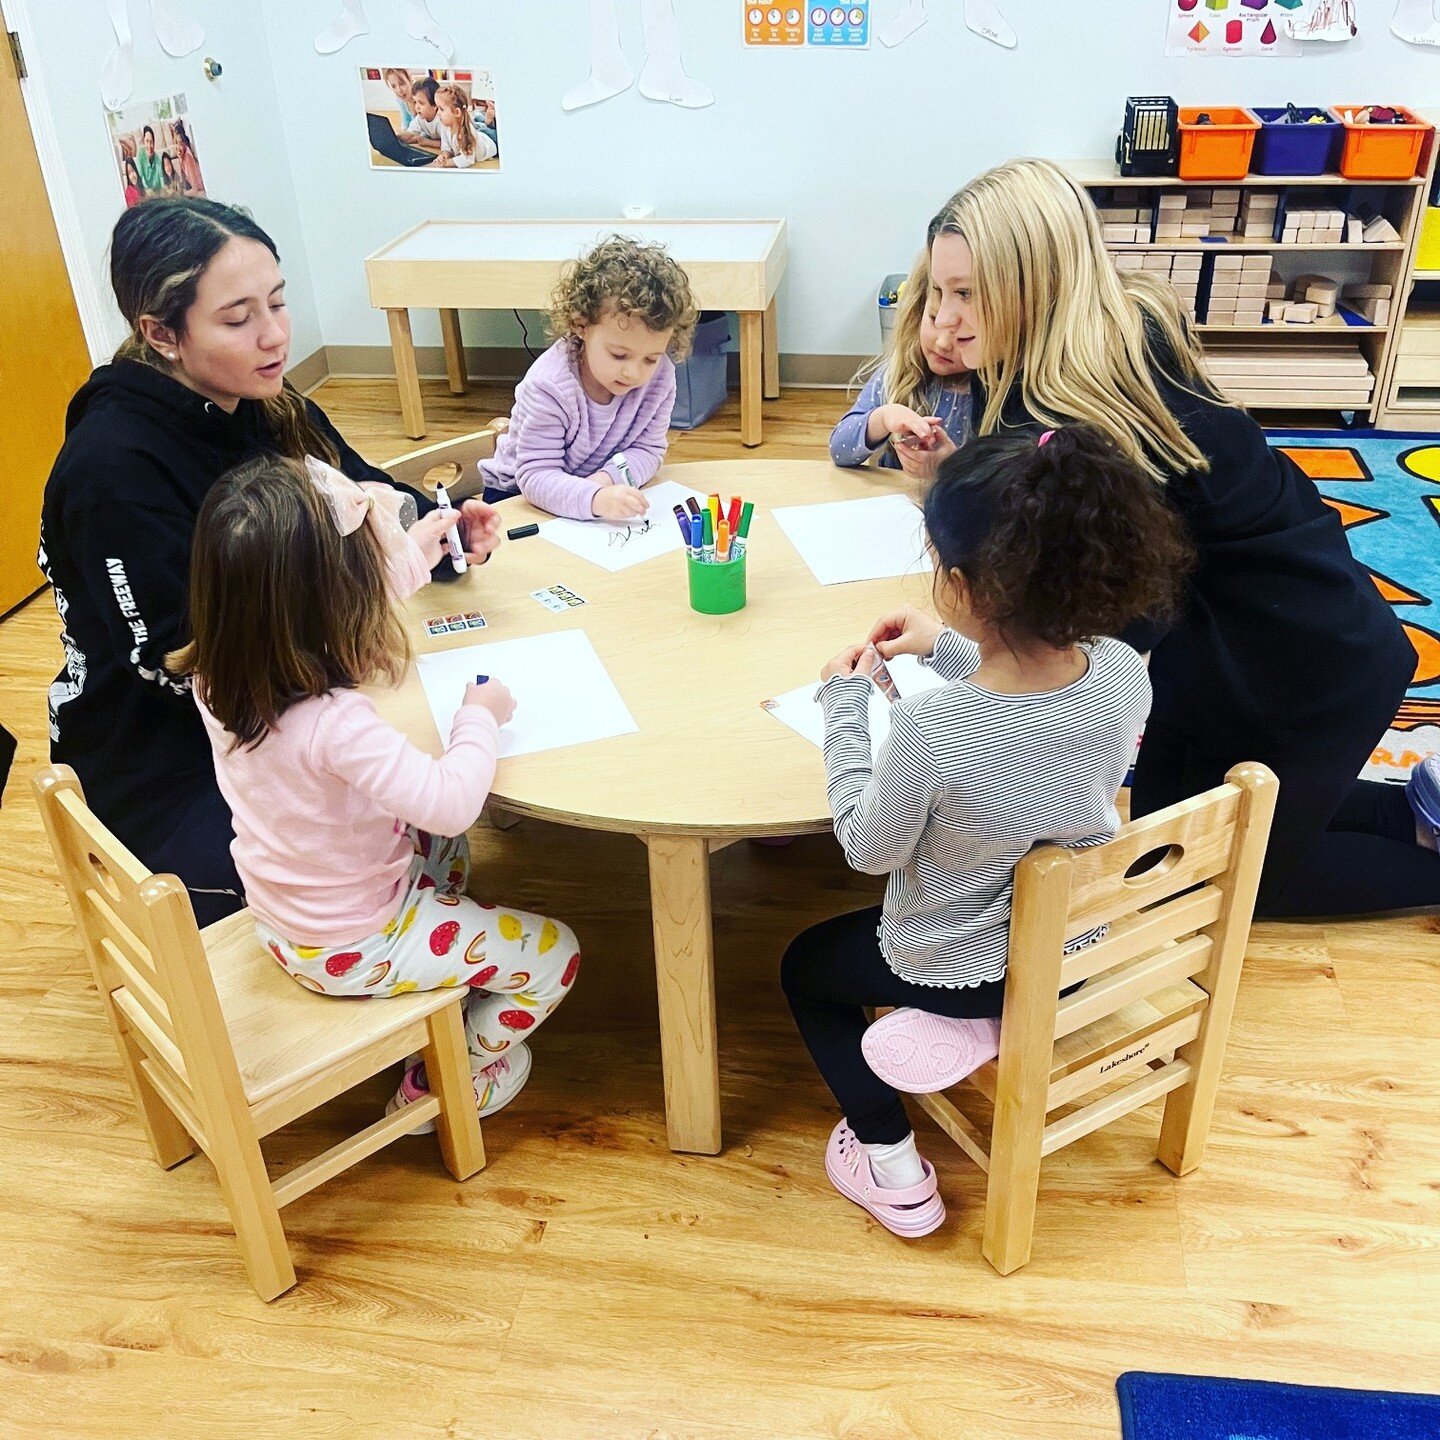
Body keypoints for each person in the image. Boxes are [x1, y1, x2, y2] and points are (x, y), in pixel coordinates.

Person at [925, 157, 1439, 917]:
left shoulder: (1089, 424)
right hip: (1221, 646)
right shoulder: (1087, 340)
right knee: (1172, 837)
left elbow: (1114, 621)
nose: (946, 317)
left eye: (967, 294)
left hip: (1309, 664)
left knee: (1215, 885)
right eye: (939, 290)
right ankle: (1413, 818)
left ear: (1039, 286)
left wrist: (985, 669)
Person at [39, 197, 502, 925]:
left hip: (288, 695)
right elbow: (176, 660)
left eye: (278, 303)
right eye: (237, 318)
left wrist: (438, 533)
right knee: (345, 877)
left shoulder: (265, 400)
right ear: (161, 333)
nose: (275, 335)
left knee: (404, 801)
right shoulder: (111, 471)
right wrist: (351, 669)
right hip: (174, 751)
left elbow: (362, 496)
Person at [782, 425, 1182, 1237]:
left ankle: (891, 1165)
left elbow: (866, 846)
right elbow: (1037, 711)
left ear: (961, 583)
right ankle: (983, 1020)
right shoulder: (1124, 673)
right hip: (1075, 944)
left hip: (960, 960)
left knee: (803, 968)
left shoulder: (934, 731)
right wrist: (954, 649)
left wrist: (846, 709)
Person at [170, 455, 580, 1124]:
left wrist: (418, 553)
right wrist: (480, 718)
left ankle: (438, 950)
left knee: (437, 841)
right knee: (555, 953)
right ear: (336, 602)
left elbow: (313, 611)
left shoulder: (219, 672)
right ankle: (449, 1078)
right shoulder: (336, 724)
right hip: (355, 944)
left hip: (283, 914)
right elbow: (453, 800)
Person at [479, 234, 698, 520]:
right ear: (580, 325)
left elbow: (648, 450)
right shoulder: (549, 386)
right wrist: (594, 497)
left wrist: (605, 482)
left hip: (595, 493)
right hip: (517, 499)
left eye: (650, 358)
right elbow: (535, 476)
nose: (633, 372)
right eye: (619, 355)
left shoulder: (660, 377)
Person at [830, 252, 971, 481]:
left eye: (963, 335)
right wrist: (882, 418)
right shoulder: (896, 372)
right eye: (934, 319)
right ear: (918, 314)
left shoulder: (1008, 399)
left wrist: (950, 468)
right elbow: (839, 449)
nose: (943, 343)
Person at [435, 83, 497, 168]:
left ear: (457, 112)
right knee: (479, 123)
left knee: (493, 131)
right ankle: (483, 120)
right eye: (437, 108)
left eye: (441, 109)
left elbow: (468, 160)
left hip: (491, 142)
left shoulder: (465, 132)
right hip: (479, 135)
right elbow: (446, 147)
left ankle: (488, 120)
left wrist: (446, 163)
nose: (437, 113)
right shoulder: (445, 125)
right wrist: (444, 156)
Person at [402, 75, 444, 151]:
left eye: (421, 103)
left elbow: (450, 144)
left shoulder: (442, 120)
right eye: (415, 102)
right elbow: (408, 134)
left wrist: (428, 142)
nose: (417, 107)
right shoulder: (420, 118)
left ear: (435, 104)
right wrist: (394, 136)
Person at [174, 120, 204, 195]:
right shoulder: (184, 155)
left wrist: (182, 196)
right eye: (176, 143)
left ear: (184, 143)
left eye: (180, 143)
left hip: (200, 187)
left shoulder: (187, 157)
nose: (178, 146)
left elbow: (195, 189)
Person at [134, 124, 163, 192]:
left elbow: (162, 178)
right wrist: (147, 190)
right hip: (145, 191)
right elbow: (140, 177)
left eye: (151, 142)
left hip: (157, 193)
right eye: (147, 141)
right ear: (143, 141)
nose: (149, 146)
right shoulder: (140, 153)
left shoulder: (157, 160)